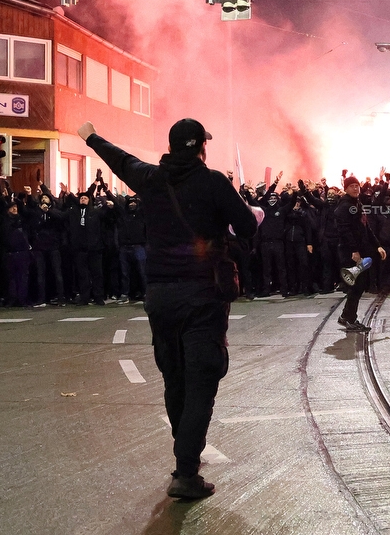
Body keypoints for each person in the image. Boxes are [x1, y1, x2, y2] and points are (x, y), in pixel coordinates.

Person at [77, 117, 262, 501]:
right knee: (201, 380)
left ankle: (185, 454)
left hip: (160, 296)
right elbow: (247, 226)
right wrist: (243, 217)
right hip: (202, 295)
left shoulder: (151, 178)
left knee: (174, 377)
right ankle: (186, 471)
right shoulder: (212, 181)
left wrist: (92, 136)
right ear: (200, 147)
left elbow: (121, 160)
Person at [334, 175, 386, 331]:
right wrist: (354, 251)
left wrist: (377, 245)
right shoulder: (344, 207)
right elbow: (344, 231)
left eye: (357, 185)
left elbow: (366, 228)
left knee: (359, 284)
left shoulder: (357, 203)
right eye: (352, 186)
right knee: (356, 286)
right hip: (350, 253)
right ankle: (350, 319)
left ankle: (345, 316)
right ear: (346, 188)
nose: (356, 188)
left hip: (361, 251)